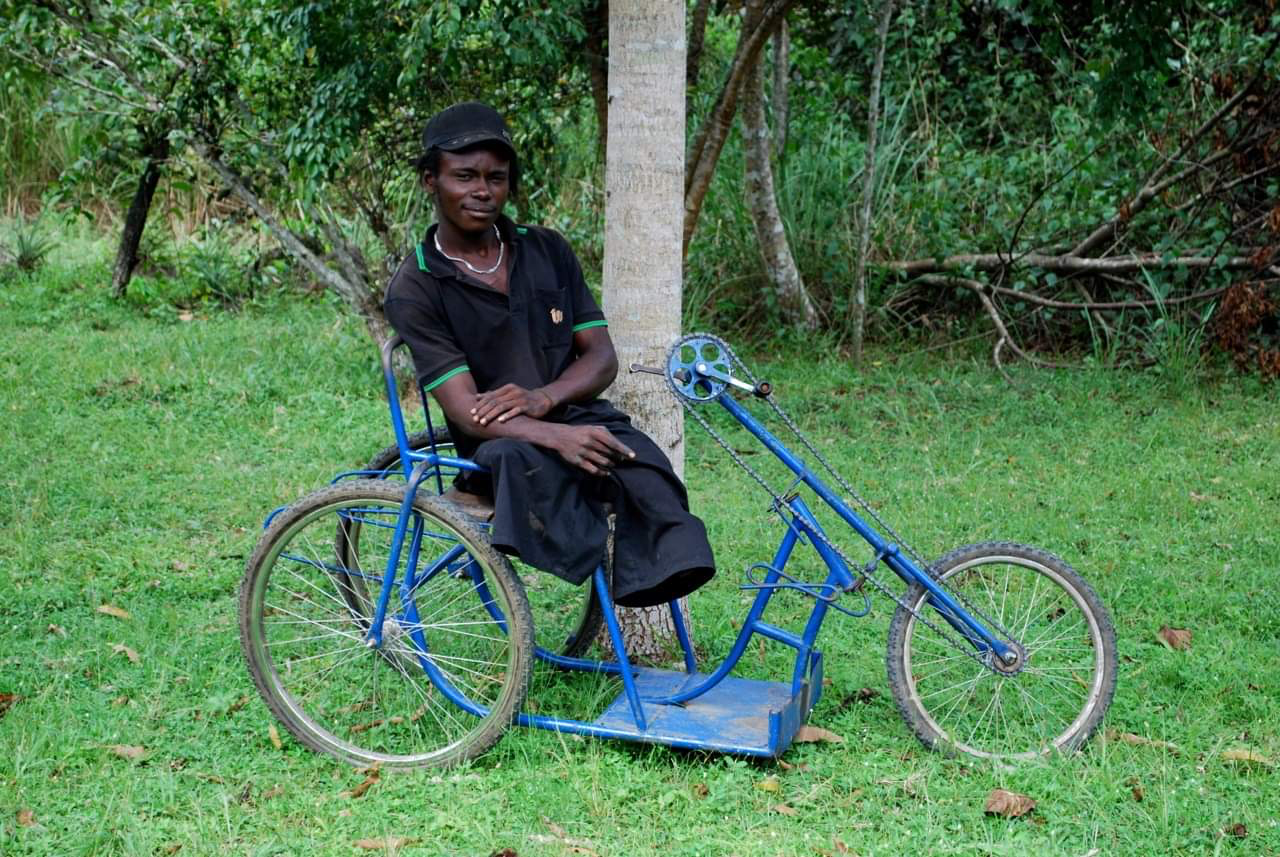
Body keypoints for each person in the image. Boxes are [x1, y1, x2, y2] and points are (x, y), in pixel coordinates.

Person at [383, 101, 715, 608]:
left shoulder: (544, 250)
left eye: (496, 177)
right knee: (528, 464)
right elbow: (466, 413)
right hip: (496, 441)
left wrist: (544, 399)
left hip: (572, 410)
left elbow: (601, 358)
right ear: (431, 181)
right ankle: (579, 562)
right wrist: (555, 436)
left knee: (643, 462)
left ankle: (654, 585)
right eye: (464, 176)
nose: (482, 191)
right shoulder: (417, 285)